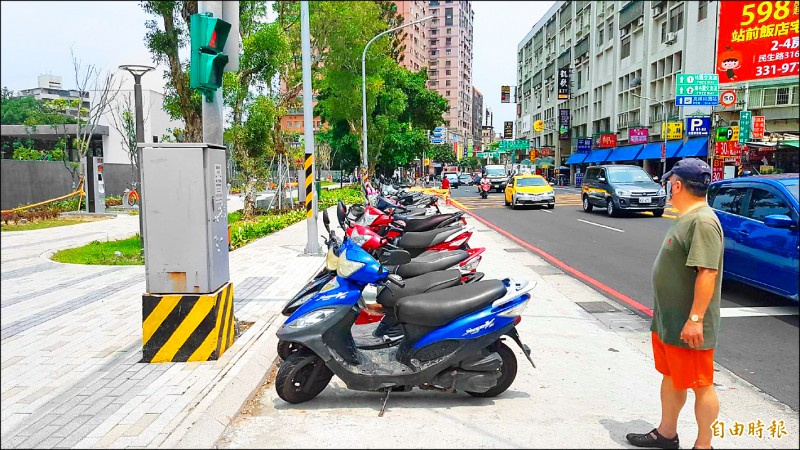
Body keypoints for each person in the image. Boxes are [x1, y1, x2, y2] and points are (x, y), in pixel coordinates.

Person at [626, 158, 723, 450]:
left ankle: (703, 445)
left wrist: (694, 319)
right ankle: (666, 434)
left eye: (670, 183)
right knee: (672, 377)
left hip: (687, 325)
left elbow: (708, 272)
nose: (668, 188)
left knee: (701, 385)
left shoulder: (702, 221)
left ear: (678, 185)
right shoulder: (687, 218)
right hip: (669, 321)